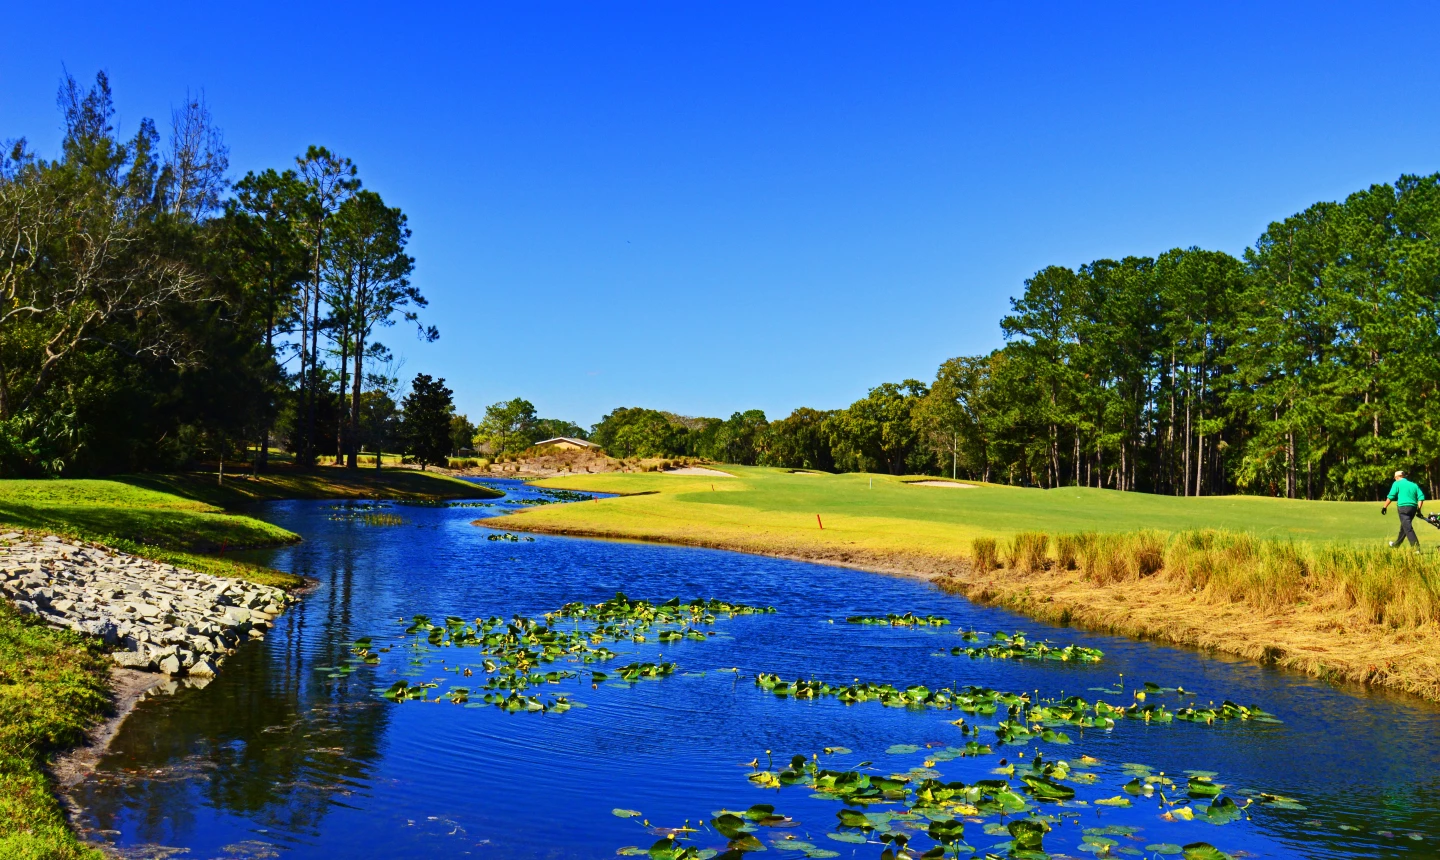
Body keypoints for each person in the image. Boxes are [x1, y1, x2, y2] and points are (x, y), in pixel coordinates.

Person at [1381, 469, 1426, 552]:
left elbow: (1391, 496)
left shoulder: (1397, 483)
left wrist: (1384, 507)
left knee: (1408, 528)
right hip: (1413, 508)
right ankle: (1396, 545)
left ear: (1397, 477)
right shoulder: (1413, 485)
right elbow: (1421, 497)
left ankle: (1416, 549)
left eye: (1395, 478)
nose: (1395, 479)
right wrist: (1418, 510)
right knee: (1404, 527)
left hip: (1403, 508)